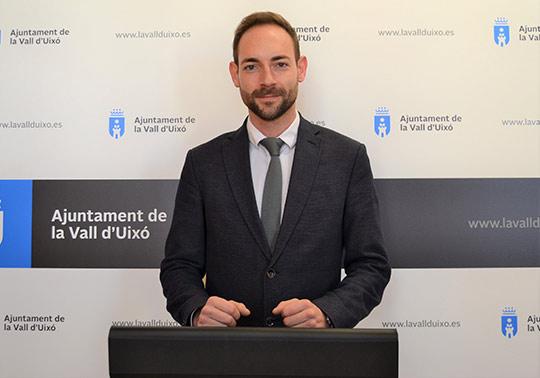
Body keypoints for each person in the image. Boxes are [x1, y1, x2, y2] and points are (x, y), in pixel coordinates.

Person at [160, 11, 390, 328]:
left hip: (316, 359)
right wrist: (197, 309)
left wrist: (328, 312)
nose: (267, 79)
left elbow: (370, 265)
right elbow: (178, 266)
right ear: (235, 74)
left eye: (280, 64)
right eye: (252, 66)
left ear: (301, 68)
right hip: (226, 358)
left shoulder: (346, 158)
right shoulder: (203, 163)